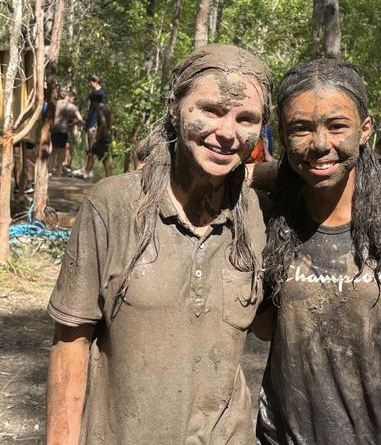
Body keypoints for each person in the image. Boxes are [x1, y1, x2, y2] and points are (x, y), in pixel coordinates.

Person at [46, 44, 273, 444]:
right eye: (210, 110)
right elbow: (70, 344)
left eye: (246, 119)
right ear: (175, 108)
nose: (227, 132)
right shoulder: (114, 206)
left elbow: (268, 326)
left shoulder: (254, 213)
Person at [255, 58, 381, 445]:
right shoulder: (266, 219)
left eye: (337, 126)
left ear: (365, 129)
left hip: (379, 434)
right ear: (282, 134)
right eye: (300, 128)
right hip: (280, 436)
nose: (320, 145)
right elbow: (260, 326)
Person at [50, 89, 83, 176]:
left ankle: (50, 170)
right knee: (61, 150)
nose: (73, 100)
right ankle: (59, 171)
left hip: (54, 129)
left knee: (53, 150)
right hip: (64, 130)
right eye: (73, 98)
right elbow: (80, 119)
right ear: (70, 96)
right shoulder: (72, 107)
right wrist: (72, 124)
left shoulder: (56, 103)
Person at [85, 91, 113, 178]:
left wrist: (98, 135)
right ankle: (87, 174)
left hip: (103, 137)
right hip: (107, 136)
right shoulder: (106, 108)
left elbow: (103, 123)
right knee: (93, 154)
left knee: (101, 157)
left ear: (94, 101)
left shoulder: (100, 109)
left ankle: (108, 177)